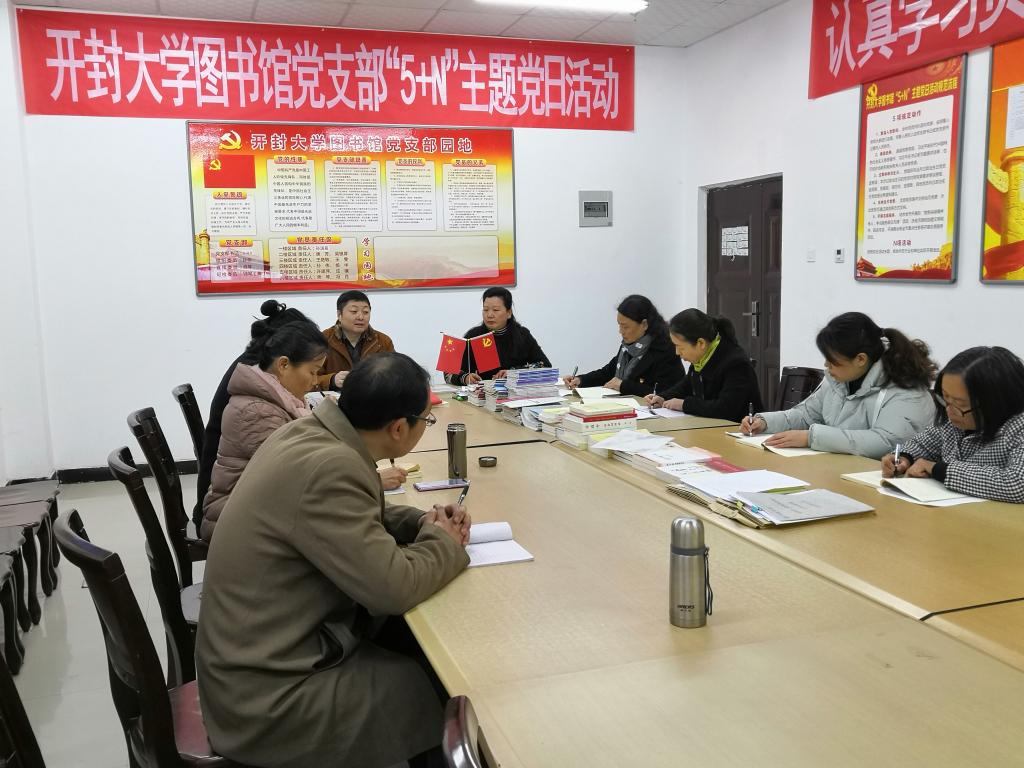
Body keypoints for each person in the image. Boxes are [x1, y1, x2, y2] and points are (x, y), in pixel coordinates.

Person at [196, 353, 471, 768]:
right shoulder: (331, 466)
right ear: (399, 428)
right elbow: (394, 588)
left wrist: (420, 522)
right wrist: (444, 542)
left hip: (258, 661)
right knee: (440, 690)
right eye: (425, 421)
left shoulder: (311, 432)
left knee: (413, 645)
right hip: (270, 702)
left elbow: (352, 514)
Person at [740, 312, 936, 459]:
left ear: (860, 359)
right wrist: (764, 422)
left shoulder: (906, 390)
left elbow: (886, 442)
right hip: (840, 470)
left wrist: (811, 438)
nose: (827, 365)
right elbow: (806, 415)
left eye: (833, 361)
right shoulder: (838, 380)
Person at [200, 322, 328, 542]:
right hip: (235, 520)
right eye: (312, 372)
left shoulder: (275, 400)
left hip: (253, 507)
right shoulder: (258, 412)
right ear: (284, 365)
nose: (316, 381)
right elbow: (295, 477)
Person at [881, 346, 1024, 503]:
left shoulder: (1019, 427)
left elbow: (1017, 484)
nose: (949, 410)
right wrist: (904, 458)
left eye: (960, 404)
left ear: (995, 402)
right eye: (945, 399)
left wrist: (939, 470)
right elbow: (923, 445)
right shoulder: (954, 421)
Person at [644, 308, 762, 421]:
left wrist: (684, 404)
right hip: (709, 425)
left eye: (680, 347)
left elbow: (725, 409)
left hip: (738, 429)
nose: (677, 352)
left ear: (700, 343)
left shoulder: (736, 363)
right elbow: (686, 385)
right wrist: (663, 397)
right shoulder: (703, 357)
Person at [564, 294, 683, 397]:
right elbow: (608, 372)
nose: (620, 331)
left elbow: (665, 392)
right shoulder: (630, 345)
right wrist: (581, 380)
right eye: (619, 325)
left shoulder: (665, 349)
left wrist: (623, 386)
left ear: (644, 324)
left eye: (625, 327)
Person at [445, 287, 551, 385]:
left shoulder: (523, 335)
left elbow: (545, 365)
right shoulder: (473, 336)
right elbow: (448, 372)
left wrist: (514, 373)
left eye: (495, 310)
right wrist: (464, 377)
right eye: (486, 310)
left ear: (509, 313)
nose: (489, 315)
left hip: (515, 394)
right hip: (482, 394)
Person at [316, 290, 396, 391]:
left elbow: (395, 375)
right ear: (339, 314)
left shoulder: (383, 341)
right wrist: (331, 380)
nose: (361, 317)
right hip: (335, 399)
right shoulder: (322, 340)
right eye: (354, 312)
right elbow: (308, 379)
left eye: (365, 312)